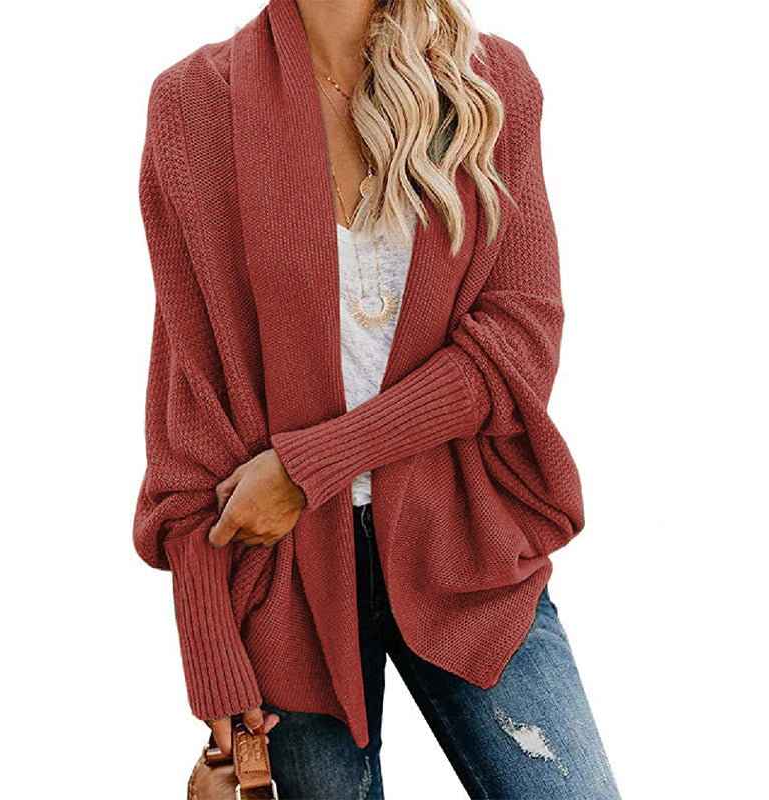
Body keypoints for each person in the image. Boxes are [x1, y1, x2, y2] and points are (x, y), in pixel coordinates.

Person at [132, 0, 621, 796]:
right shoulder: (195, 103)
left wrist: (313, 466)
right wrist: (211, 655)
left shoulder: (489, 84)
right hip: (284, 588)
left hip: (465, 548)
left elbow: (520, 342)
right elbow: (191, 400)